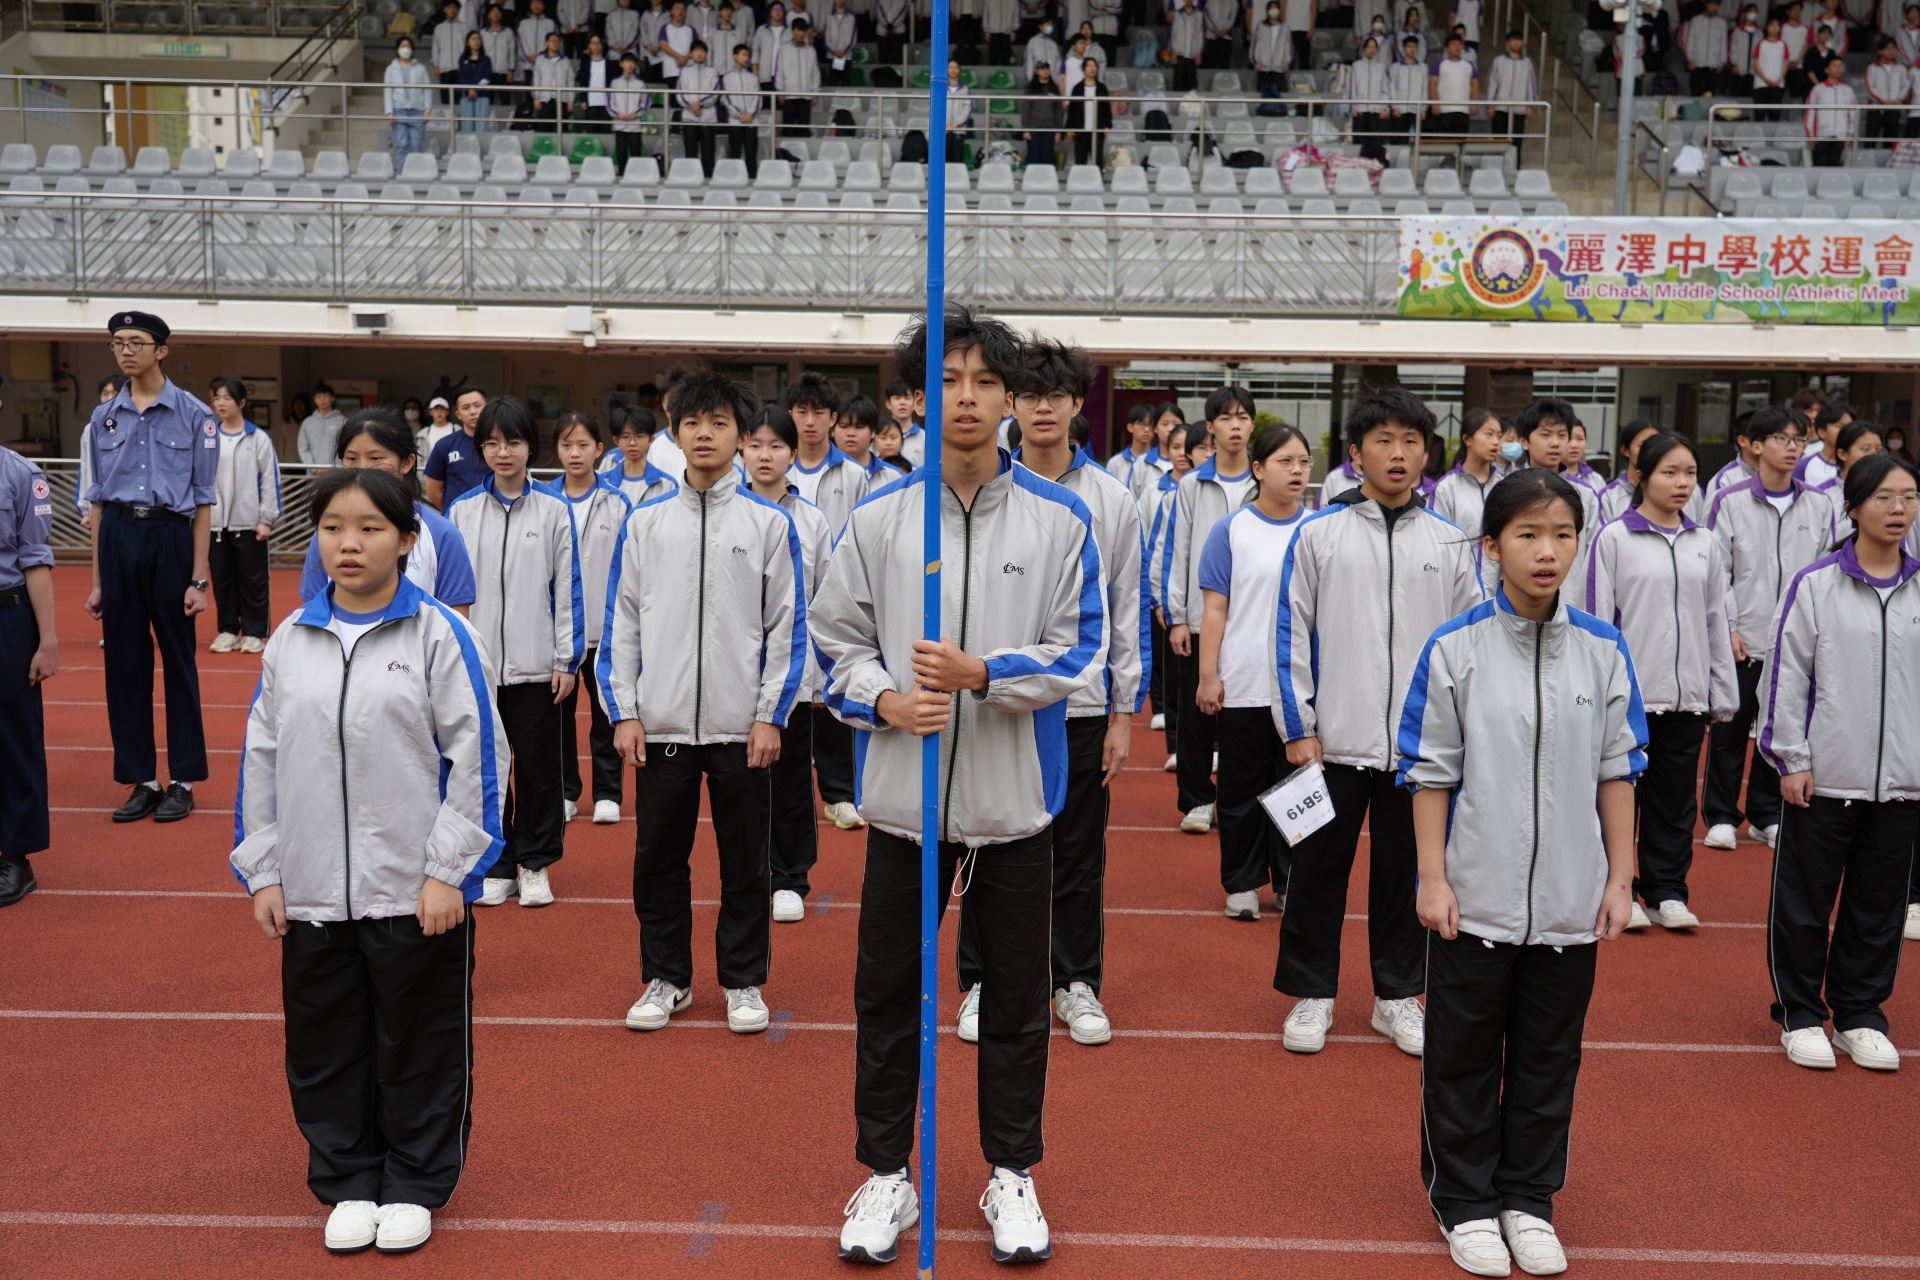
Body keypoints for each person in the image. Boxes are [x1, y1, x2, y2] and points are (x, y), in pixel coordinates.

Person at [814, 307, 1105, 1267]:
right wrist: (886, 700)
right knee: (887, 997)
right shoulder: (878, 520)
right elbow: (834, 642)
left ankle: (1011, 1172)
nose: (967, 398)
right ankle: (886, 1173)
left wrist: (988, 674)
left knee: (1015, 1003)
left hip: (1014, 808)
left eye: (985, 381)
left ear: (1012, 396)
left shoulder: (1061, 520)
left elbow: (1082, 649)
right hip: (905, 811)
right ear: (916, 399)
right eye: (947, 380)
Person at [232, 467, 507, 1259]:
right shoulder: (291, 640)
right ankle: (349, 1179)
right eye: (332, 528)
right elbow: (262, 759)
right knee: (325, 1044)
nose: (348, 544)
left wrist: (449, 872)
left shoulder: (439, 635)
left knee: (419, 1043)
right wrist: (265, 870)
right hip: (314, 891)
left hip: (413, 892)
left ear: (407, 540)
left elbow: (481, 757)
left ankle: (416, 1181)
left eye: (369, 528)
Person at [1398, 468, 1645, 1280]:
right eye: (1528, 535)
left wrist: (1621, 877)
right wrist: (1433, 878)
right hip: (1475, 895)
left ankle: (1528, 1200)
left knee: (1548, 1058)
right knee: (1463, 1057)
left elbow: (1618, 768)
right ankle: (1465, 1202)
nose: (1547, 552)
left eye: (1563, 534)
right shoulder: (1455, 647)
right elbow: (1429, 774)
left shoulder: (1604, 649)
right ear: (1492, 546)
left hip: (1570, 901)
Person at [1271, 386, 1483, 1057]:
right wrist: (1297, 725)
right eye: (1383, 441)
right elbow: (1289, 632)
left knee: (1406, 872)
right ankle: (1312, 992)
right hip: (1332, 742)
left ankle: (1397, 995)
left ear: (1427, 454)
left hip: (1419, 749)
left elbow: (1472, 643)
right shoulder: (1319, 533)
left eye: (1411, 441)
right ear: (1356, 453)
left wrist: (1459, 732)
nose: (1398, 453)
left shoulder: (1450, 542)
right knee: (1316, 870)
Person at [956, 337, 1145, 1050]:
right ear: (1011, 402)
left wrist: (1123, 714)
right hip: (996, 701)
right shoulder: (981, 487)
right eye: (1030, 395)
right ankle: (982, 980)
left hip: (1082, 706)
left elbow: (1126, 610)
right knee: (985, 842)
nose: (1043, 408)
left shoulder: (1113, 500)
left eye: (1056, 396)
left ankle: (1075, 980)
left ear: (1075, 404)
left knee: (1077, 853)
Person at [601, 372, 803, 1034]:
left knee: (745, 862)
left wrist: (770, 714)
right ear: (675, 433)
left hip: (741, 727)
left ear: (741, 436)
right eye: (693, 423)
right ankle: (667, 977)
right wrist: (625, 710)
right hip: (662, 725)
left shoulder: (769, 525)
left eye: (719, 423)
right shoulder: (646, 524)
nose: (705, 435)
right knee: (659, 860)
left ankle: (743, 981)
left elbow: (787, 626)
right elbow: (622, 622)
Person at [1760, 451, 1920, 1071]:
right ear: (1851, 506)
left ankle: (1859, 1014)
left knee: (1879, 907)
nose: (1899, 509)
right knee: (1805, 903)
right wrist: (1791, 758)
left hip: (1902, 782)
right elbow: (1786, 675)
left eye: (1909, 496)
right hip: (1825, 777)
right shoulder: (1816, 584)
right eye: (1884, 497)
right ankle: (1800, 1013)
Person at [1585, 432, 1736, 932]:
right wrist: (1600, 690)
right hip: (1630, 697)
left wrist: (1721, 692)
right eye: (1670, 472)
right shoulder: (1614, 539)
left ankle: (1667, 890)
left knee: (1674, 801)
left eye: (1690, 473)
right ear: (1640, 476)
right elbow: (1598, 619)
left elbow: (1715, 620)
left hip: (1687, 698)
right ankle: (1619, 889)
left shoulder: (1704, 543)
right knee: (1619, 795)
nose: (1682, 483)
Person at [446, 397, 584, 909]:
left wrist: (566, 660)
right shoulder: (461, 512)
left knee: (538, 770)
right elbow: (448, 593)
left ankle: (536, 863)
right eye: (492, 443)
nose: (503, 452)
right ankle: (499, 864)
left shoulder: (554, 510)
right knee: (486, 771)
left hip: (535, 667)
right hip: (478, 668)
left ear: (530, 447)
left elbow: (567, 588)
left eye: (513, 442)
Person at [85, 311, 213, 825]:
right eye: (118, 342)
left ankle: (183, 780)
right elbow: (96, 501)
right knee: (124, 664)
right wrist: (98, 579)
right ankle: (142, 779)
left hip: (169, 537)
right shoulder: (103, 417)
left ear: (161, 350)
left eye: (136, 342)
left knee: (179, 661)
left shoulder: (194, 414)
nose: (125, 350)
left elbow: (203, 500)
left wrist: (199, 578)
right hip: (118, 535)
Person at [1702, 407, 1834, 855]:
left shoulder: (1819, 503)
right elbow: (1716, 570)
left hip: (1795, 639)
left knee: (1777, 729)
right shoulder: (1729, 499)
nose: (1792, 447)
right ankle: (1721, 816)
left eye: (1799, 439)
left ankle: (1765, 815)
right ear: (1755, 446)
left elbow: (1825, 571)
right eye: (1782, 438)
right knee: (1730, 731)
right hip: (1744, 635)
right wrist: (1729, 626)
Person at [1196, 423, 1310, 922]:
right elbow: (1215, 609)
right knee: (1240, 790)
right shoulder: (1231, 530)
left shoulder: (1318, 529)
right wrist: (1208, 674)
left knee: (1295, 790)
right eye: (1285, 461)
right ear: (1258, 468)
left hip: (1300, 688)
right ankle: (1242, 883)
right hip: (1243, 681)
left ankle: (1288, 881)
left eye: (1304, 462)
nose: (1297, 471)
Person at [737, 406, 833, 924]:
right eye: (755, 444)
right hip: (735, 675)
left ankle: (791, 877)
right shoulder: (727, 512)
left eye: (776, 445)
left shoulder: (811, 519)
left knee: (791, 780)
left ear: (793, 454)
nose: (765, 455)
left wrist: (821, 674)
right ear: (741, 449)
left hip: (794, 675)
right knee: (742, 784)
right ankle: (751, 875)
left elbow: (826, 599)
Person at [1168, 388, 1260, 836]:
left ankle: (1238, 800)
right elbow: (1179, 549)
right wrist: (1177, 617)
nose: (1235, 426)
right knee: (1195, 716)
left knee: (1243, 716)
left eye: (1242, 417)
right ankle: (1197, 799)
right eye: (1226, 418)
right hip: (1201, 615)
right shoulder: (1192, 485)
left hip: (1252, 619)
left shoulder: (1264, 480)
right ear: (1210, 428)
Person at [786, 372, 871, 829]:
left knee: (835, 693)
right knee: (790, 699)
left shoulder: (853, 475)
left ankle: (839, 793)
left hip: (839, 595)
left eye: (819, 412)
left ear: (833, 418)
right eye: (802, 411)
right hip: (785, 599)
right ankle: (791, 791)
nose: (810, 421)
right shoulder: (777, 468)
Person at [540, 412, 632, 827]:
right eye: (566, 445)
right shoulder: (542, 500)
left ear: (599, 450)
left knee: (605, 714)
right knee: (557, 720)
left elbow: (630, 568)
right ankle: (565, 791)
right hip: (555, 633)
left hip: (602, 630)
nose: (574, 453)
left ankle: (608, 793)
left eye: (582, 445)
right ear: (556, 451)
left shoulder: (618, 502)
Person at [298, 408, 479, 615]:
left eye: (376, 458)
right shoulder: (327, 533)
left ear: (407, 463)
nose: (363, 469)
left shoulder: (442, 534)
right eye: (351, 459)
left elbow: (456, 623)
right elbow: (313, 610)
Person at [0, 427, 57, 907]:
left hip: (8, 618)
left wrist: (47, 641)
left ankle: (16, 857)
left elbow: (36, 560)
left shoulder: (21, 475)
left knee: (15, 739)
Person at [206, 377, 279, 656]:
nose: (221, 403)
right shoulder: (209, 437)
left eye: (227, 398)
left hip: (249, 523)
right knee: (222, 579)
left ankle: (254, 632)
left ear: (242, 403)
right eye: (217, 398)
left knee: (253, 580)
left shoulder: (257, 438)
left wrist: (266, 519)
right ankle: (228, 630)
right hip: (216, 523)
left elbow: (270, 480)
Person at [1433, 407, 1505, 591]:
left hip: (1499, 591)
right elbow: (1438, 544)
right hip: (1457, 588)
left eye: (1499, 435)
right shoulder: (1446, 487)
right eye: (1489, 434)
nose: (1496, 441)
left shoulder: (1505, 486)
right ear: (1467, 439)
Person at [424, 385, 492, 510]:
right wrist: (453, 512)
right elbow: (432, 491)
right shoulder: (444, 445)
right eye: (466, 407)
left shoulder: (503, 443)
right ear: (458, 414)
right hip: (457, 519)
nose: (473, 411)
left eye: (477, 405)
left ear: (487, 408)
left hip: (496, 516)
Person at [604, 406, 680, 503]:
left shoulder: (667, 484)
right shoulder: (602, 483)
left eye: (639, 436)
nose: (632, 443)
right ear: (616, 440)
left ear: (651, 440)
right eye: (625, 436)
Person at [386, 38, 434, 169]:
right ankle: (401, 174)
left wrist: (427, 110)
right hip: (399, 110)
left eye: (408, 46)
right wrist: (389, 112)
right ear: (397, 49)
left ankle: (416, 174)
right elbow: (388, 91)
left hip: (417, 111)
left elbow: (427, 89)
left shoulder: (420, 68)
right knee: (401, 145)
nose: (405, 48)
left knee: (417, 145)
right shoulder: (391, 69)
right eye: (402, 45)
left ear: (412, 49)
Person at [678, 39, 722, 172]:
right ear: (691, 54)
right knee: (690, 154)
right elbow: (680, 93)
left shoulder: (712, 72)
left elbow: (715, 93)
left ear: (706, 54)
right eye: (696, 51)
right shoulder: (684, 72)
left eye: (702, 51)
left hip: (708, 118)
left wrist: (700, 104)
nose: (699, 53)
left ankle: (708, 180)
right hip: (689, 118)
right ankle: (691, 180)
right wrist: (691, 106)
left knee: (708, 154)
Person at [1806, 52, 1857, 165]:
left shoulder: (1848, 90)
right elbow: (1810, 113)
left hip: (1840, 137)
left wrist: (1850, 136)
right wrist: (1810, 136)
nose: (1838, 69)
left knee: (1836, 171)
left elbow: (1853, 115)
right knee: (1818, 169)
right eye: (1834, 65)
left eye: (1840, 66)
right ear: (1827, 70)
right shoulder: (1818, 89)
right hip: (1821, 137)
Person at [720, 43, 763, 176]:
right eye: (743, 55)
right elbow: (725, 99)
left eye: (748, 55)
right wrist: (739, 115)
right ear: (735, 56)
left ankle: (752, 180)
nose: (746, 58)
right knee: (735, 153)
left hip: (751, 121)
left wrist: (750, 114)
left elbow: (758, 98)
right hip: (735, 121)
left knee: (751, 153)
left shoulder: (753, 78)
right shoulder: (727, 78)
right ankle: (734, 179)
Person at [1065, 57, 1114, 166]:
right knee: (1080, 163)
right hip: (1080, 131)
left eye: (1094, 66)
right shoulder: (1077, 88)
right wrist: (1070, 128)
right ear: (1084, 69)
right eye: (1089, 66)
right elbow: (1072, 110)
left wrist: (1107, 126)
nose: (1092, 68)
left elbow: (1106, 109)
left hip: (1097, 131)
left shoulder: (1102, 88)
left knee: (1097, 163)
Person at [833, 394, 892, 481]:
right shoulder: (820, 474)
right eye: (844, 426)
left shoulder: (893, 477)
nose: (851, 433)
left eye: (859, 427)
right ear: (832, 430)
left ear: (873, 431)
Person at [1866, 37, 1912, 147]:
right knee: (1870, 140)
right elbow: (1870, 87)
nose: (1891, 51)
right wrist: (1882, 100)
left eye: (1893, 48)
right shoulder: (1872, 68)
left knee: (1890, 142)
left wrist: (1898, 99)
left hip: (1894, 108)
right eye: (1888, 48)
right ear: (1880, 51)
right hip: (1876, 109)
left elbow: (1905, 86)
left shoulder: (1901, 68)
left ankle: (1889, 159)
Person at [776, 17, 820, 133]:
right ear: (793, 30)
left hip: (806, 96)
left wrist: (815, 93)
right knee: (788, 129)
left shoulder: (811, 51)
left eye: (803, 31)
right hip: (789, 95)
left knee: (804, 130)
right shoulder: (784, 49)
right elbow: (780, 71)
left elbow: (815, 73)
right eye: (798, 30)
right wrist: (780, 92)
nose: (801, 33)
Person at [1020, 60, 1065, 169]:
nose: (1045, 71)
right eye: (1042, 69)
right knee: (1034, 159)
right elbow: (1025, 110)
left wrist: (1058, 131)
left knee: (1047, 160)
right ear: (1036, 71)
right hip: (1033, 129)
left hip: (1050, 129)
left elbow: (1059, 111)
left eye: (1047, 68)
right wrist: (1025, 129)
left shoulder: (1054, 88)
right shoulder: (1030, 88)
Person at [1429, 33, 1477, 133]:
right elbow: (1432, 84)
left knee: (1460, 139)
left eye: (1459, 44)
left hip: (1463, 110)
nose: (1457, 47)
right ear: (1446, 48)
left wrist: (1474, 104)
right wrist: (1435, 104)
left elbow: (1475, 85)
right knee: (1444, 140)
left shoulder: (1469, 65)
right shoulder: (1440, 64)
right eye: (1453, 44)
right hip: (1444, 111)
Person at [1681, 0, 1728, 96]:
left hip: (1713, 64)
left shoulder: (1722, 23)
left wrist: (1721, 62)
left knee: (1710, 94)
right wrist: (1690, 59)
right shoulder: (1696, 20)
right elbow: (1691, 41)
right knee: (1695, 92)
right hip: (1697, 63)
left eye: (1716, 5)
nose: (1714, 8)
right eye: (1712, 4)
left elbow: (1723, 43)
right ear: (1706, 4)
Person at [433, 0, 473, 101]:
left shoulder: (465, 27)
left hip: (460, 69)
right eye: (450, 7)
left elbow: (470, 48)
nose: (453, 10)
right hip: (444, 69)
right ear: (444, 9)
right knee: (445, 98)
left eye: (455, 8)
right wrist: (436, 65)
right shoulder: (439, 28)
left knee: (460, 99)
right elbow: (435, 48)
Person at [298, 382, 346, 467]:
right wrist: (314, 467)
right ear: (314, 400)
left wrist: (334, 467)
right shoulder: (307, 422)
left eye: (326, 396)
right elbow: (303, 448)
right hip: (313, 472)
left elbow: (345, 446)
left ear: (332, 398)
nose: (322, 399)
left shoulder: (342, 421)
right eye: (319, 397)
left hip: (336, 471)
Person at [1167, 0, 1203, 92]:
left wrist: (1198, 52)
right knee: (1178, 82)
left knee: (1192, 83)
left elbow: (1199, 34)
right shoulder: (1177, 14)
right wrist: (1173, 52)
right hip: (1179, 53)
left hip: (1192, 53)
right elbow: (1173, 33)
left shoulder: (1198, 14)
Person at [945, 58, 975, 160]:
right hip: (943, 130)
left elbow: (967, 109)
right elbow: (936, 108)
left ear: (959, 70)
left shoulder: (965, 89)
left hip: (959, 131)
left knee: (956, 162)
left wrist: (956, 124)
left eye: (956, 67)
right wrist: (946, 125)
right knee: (942, 162)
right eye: (950, 67)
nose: (953, 70)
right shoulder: (940, 88)